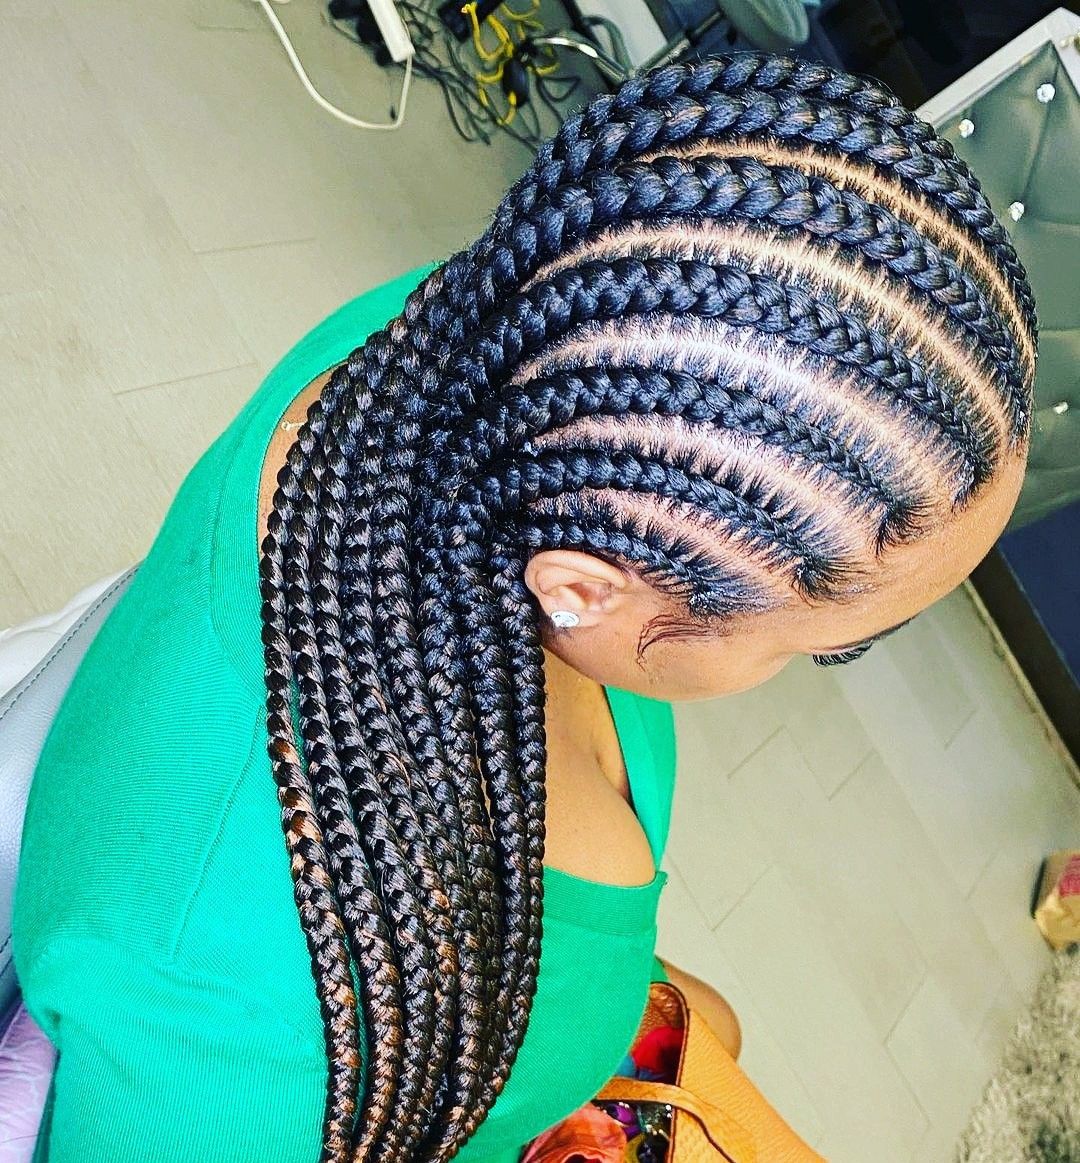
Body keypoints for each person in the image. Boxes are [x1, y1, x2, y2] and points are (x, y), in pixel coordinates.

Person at [12, 50, 1034, 1163]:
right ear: (583, 588)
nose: (843, 651)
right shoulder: (241, 1009)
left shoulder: (513, 346)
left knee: (716, 1024)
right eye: (836, 644)